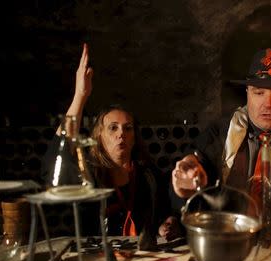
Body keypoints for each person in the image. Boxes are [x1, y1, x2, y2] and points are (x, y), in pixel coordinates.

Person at [171, 43, 271, 246]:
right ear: (247, 92)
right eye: (259, 93)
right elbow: (180, 194)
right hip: (228, 245)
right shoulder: (218, 134)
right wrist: (184, 186)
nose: (269, 103)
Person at [42, 44, 180, 242]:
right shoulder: (88, 177)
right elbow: (54, 162)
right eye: (113, 128)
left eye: (128, 128)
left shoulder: (149, 177)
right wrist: (80, 96)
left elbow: (164, 215)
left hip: (143, 260)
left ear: (134, 137)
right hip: (98, 260)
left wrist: (166, 224)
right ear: (100, 136)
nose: (121, 134)